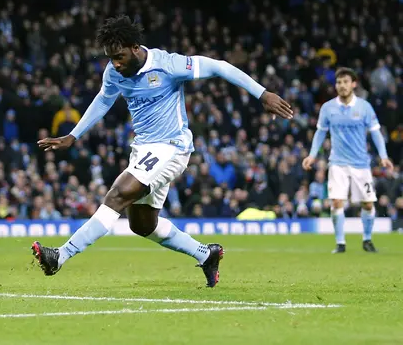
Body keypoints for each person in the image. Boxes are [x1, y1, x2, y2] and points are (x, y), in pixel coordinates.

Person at [32, 15, 293, 287]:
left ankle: (60, 256)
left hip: (172, 147)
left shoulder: (169, 65)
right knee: (142, 225)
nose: (115, 64)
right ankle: (206, 254)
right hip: (144, 149)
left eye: (119, 56)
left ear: (135, 47)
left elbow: (220, 67)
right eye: (110, 58)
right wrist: (74, 135)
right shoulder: (113, 72)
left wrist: (263, 94)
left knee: (119, 192)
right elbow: (103, 100)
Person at [302, 67, 393, 253]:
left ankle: (367, 239)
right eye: (339, 82)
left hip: (361, 164)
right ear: (336, 85)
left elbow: (376, 134)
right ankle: (340, 243)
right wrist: (312, 155)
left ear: (354, 84)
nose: (342, 86)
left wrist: (383, 156)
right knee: (336, 202)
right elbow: (320, 133)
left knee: (367, 204)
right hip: (337, 163)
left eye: (345, 82)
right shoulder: (328, 108)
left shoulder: (364, 107)